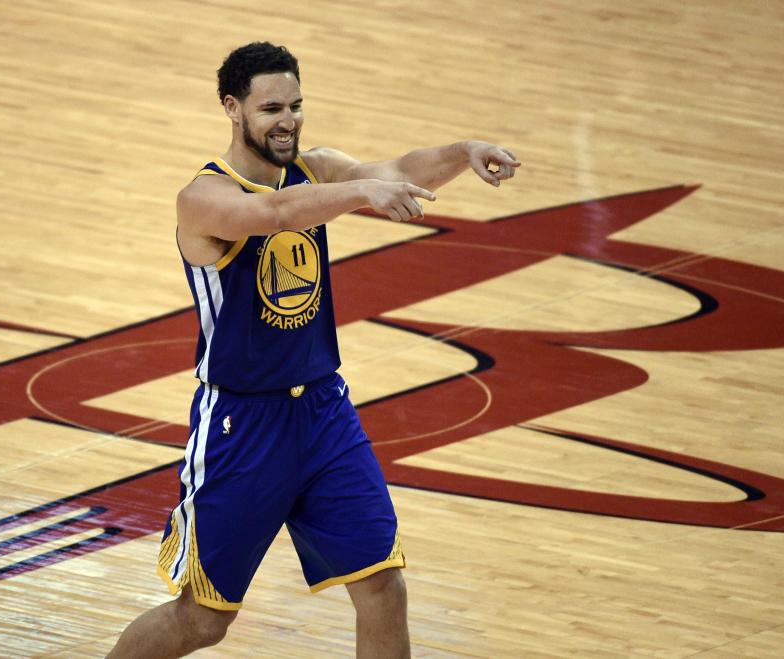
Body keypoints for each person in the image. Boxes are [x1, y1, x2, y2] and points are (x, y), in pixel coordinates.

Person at [106, 41, 519, 659]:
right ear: (232, 108)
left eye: (296, 105)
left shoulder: (316, 169)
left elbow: (398, 168)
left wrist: (464, 152)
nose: (289, 121)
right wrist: (360, 195)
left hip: (324, 412)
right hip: (240, 426)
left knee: (382, 584)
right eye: (272, 107)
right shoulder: (202, 199)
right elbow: (272, 213)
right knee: (203, 620)